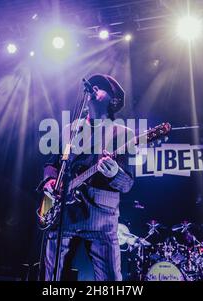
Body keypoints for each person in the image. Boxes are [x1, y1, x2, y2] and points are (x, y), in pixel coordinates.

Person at [41, 74, 134, 281]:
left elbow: (127, 183)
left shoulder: (122, 132)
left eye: (100, 87)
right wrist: (49, 181)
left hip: (100, 218)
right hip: (63, 214)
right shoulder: (70, 129)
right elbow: (51, 163)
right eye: (93, 86)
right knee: (51, 277)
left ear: (113, 100)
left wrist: (114, 173)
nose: (93, 89)